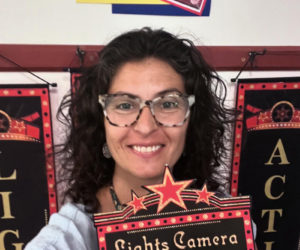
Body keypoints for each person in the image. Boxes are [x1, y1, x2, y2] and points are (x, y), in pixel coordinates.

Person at [25, 27, 235, 250]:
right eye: (125, 105)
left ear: (191, 121)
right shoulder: (72, 234)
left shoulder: (229, 220)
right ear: (100, 121)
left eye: (168, 104)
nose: (145, 127)